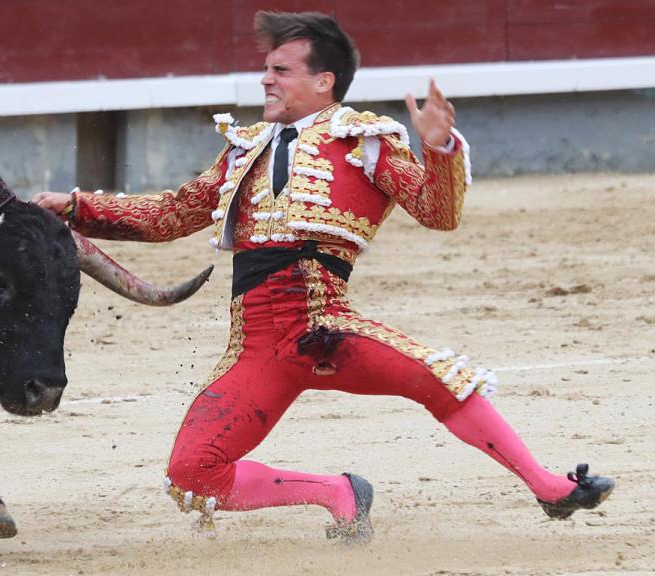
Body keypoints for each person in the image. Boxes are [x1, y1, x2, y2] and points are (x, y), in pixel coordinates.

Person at [33, 11, 613, 542]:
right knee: (191, 475)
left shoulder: (364, 142)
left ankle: (550, 486)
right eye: (266, 69)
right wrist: (77, 208)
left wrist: (437, 148)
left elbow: (439, 213)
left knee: (443, 378)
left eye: (281, 70)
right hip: (256, 347)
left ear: (324, 81)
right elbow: (171, 215)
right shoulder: (243, 151)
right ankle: (337, 493)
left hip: (324, 326)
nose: (266, 80)